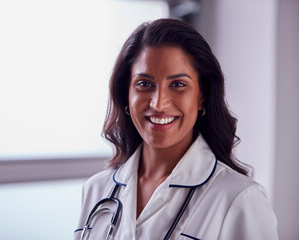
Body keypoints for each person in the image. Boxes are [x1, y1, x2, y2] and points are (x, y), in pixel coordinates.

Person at [74, 18, 278, 240]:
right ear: (126, 95)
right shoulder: (96, 190)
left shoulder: (239, 199)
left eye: (178, 84)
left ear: (202, 97)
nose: (158, 104)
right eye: (144, 84)